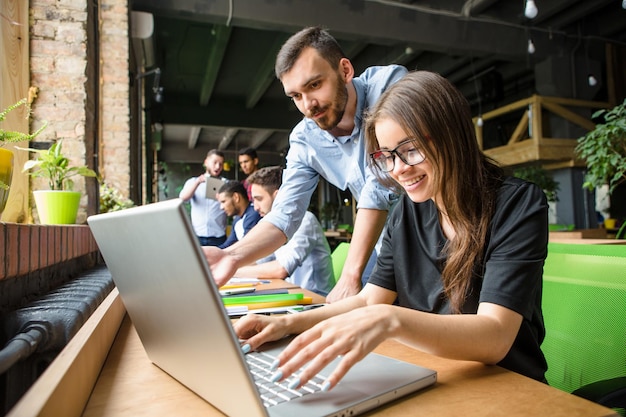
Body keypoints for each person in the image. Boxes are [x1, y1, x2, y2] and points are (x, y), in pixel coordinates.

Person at [233, 71, 549, 392]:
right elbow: (371, 299)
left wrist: (391, 320)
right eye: (386, 157)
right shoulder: (408, 210)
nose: (398, 169)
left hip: (506, 387)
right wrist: (287, 323)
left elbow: (495, 336)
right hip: (436, 378)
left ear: (451, 135)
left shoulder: (517, 204)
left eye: (410, 150)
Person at [202, 26, 408, 302]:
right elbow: (284, 214)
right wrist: (231, 256)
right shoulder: (305, 138)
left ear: (345, 70)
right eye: (296, 96)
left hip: (443, 238)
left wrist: (350, 275)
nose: (308, 105)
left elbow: (381, 180)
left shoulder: (389, 85)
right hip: (389, 250)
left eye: (314, 85)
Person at [234, 166, 334, 296]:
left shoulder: (305, 220)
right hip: (295, 295)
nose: (256, 207)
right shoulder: (273, 225)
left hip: (317, 298)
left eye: (259, 199)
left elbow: (281, 269)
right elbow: (260, 260)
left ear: (278, 196)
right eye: (253, 201)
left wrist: (232, 271)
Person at [179, 149, 228, 246]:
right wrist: (197, 183)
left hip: (218, 236)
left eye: (221, 164)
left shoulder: (226, 183)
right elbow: (183, 198)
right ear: (206, 162)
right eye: (215, 162)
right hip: (197, 235)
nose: (217, 166)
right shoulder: (192, 182)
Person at [217, 180, 262, 249]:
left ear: (236, 197)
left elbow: (245, 247)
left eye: (223, 201)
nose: (221, 207)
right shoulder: (237, 219)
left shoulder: (253, 214)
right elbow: (228, 245)